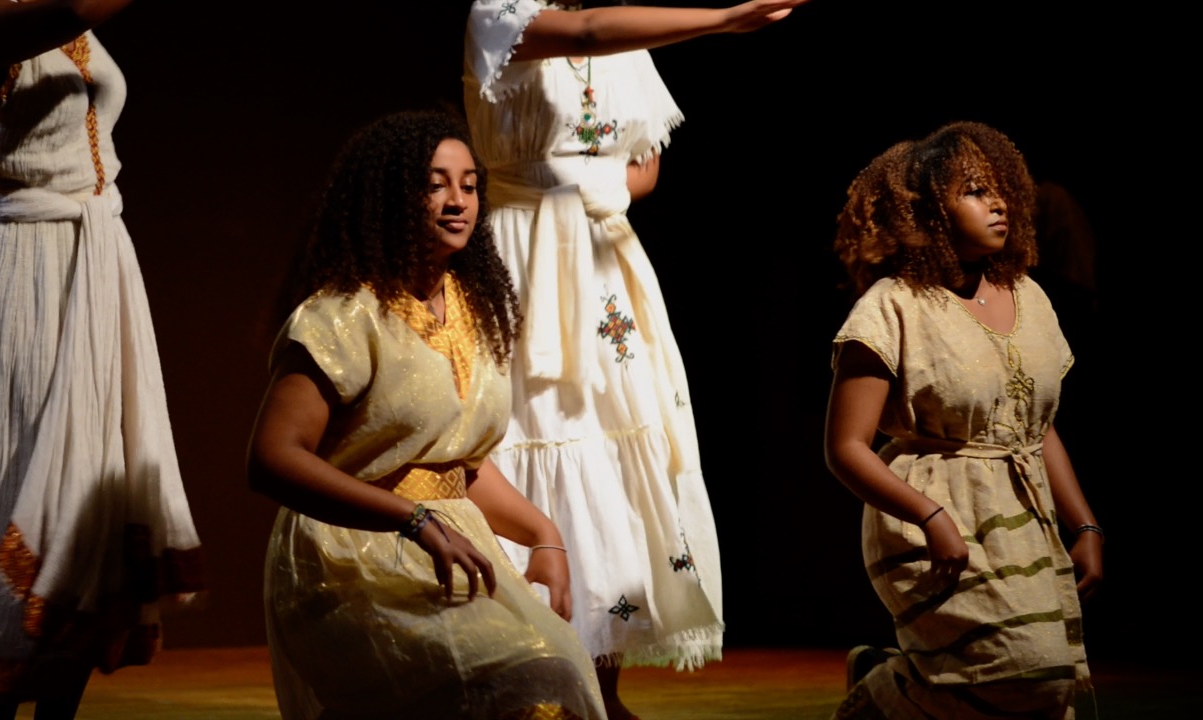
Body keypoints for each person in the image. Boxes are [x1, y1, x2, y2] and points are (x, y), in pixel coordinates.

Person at [463, 1, 807, 716]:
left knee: (617, 445)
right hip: (525, 253)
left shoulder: (628, 48)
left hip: (603, 258)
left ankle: (604, 685)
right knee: (537, 428)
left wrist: (600, 187)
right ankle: (525, 681)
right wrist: (720, 21)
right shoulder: (499, 13)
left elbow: (644, 167)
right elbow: (585, 33)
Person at [248, 110, 605, 720]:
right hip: (346, 557)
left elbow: (455, 465)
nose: (456, 200)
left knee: (552, 666)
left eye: (468, 185)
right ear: (390, 196)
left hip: (446, 539)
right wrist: (411, 520)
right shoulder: (341, 315)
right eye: (434, 183)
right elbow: (272, 459)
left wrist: (544, 535)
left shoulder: (476, 307)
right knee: (502, 678)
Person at [0, 1, 204, 716]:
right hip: (26, 267)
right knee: (26, 473)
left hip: (91, 251)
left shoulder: (68, 30)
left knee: (98, 492)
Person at [824, 122, 1103, 719]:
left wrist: (1084, 525)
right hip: (931, 515)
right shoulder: (891, 306)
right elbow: (847, 447)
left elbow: (1032, 424)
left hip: (1024, 514)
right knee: (1016, 670)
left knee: (1048, 682)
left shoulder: (1028, 295)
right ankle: (877, 696)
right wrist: (930, 516)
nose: (1000, 202)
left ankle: (886, 676)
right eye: (976, 191)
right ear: (926, 213)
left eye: (1001, 188)